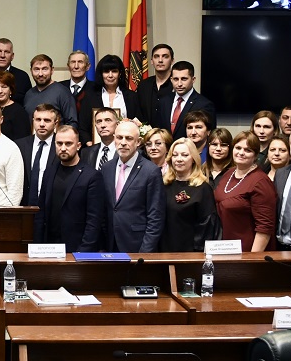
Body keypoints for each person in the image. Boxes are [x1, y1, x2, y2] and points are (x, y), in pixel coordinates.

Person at [32, 125, 105, 253]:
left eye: (68, 144)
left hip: (77, 247)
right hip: (48, 247)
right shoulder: (49, 171)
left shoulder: (92, 176)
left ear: (78, 146)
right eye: (59, 143)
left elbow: (94, 220)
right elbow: (41, 212)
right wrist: (37, 245)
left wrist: (84, 250)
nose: (63, 148)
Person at [101, 120, 164, 253]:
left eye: (129, 138)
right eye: (119, 137)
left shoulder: (150, 171)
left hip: (137, 245)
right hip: (109, 244)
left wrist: (145, 252)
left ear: (138, 142)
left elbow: (155, 216)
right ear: (114, 139)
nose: (123, 142)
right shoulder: (107, 168)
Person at [214, 131, 277, 252]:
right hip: (224, 247)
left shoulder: (260, 182)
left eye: (248, 150)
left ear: (256, 155)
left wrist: (253, 259)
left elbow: (265, 228)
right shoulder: (228, 173)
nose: (241, 153)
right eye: (238, 148)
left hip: (247, 251)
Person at [161, 137, 219, 252]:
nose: (179, 159)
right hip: (163, 250)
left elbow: (207, 227)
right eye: (175, 155)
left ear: (193, 158)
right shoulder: (164, 185)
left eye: (184, 155)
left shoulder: (203, 188)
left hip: (190, 253)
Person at [153, 61, 215, 140]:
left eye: (184, 79)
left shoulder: (204, 104)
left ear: (193, 79)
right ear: (171, 79)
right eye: (176, 79)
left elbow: (210, 136)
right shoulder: (163, 101)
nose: (179, 84)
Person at [17, 104, 60, 207]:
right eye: (38, 120)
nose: (41, 124)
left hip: (53, 207)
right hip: (24, 206)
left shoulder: (61, 146)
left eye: (47, 120)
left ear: (55, 123)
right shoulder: (19, 145)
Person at [23, 54, 78, 128]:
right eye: (36, 69)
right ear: (31, 71)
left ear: (52, 70)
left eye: (44, 69)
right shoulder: (29, 94)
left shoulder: (62, 92)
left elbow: (72, 123)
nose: (40, 74)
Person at [135, 43, 173, 132]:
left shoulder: (178, 85)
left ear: (172, 61)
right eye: (156, 57)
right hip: (147, 139)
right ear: (152, 61)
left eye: (165, 56)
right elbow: (139, 113)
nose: (160, 60)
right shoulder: (144, 85)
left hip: (172, 139)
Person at [91, 53, 138, 121]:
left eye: (114, 71)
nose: (110, 75)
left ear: (120, 73)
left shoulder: (132, 97)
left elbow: (138, 122)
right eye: (106, 72)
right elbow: (84, 127)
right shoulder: (91, 96)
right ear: (101, 74)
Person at [0, 70, 30, 141]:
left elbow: (23, 141)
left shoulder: (19, 112)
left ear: (11, 90)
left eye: (4, 87)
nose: (0, 91)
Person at [66, 51, 99, 131]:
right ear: (68, 66)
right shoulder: (59, 88)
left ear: (88, 66)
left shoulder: (97, 89)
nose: (76, 66)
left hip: (89, 140)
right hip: (64, 139)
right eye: (73, 62)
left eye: (80, 62)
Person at [81, 107, 119, 171]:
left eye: (108, 120)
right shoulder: (86, 152)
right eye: (99, 121)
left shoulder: (125, 150)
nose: (103, 125)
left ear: (117, 124)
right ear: (95, 126)